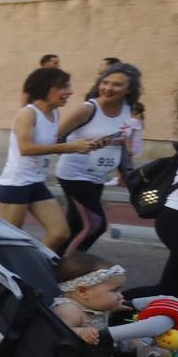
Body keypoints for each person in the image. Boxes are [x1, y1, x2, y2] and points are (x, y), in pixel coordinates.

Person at [53, 252, 178, 357]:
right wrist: (79, 331)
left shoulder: (90, 304)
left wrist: (118, 308)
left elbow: (97, 315)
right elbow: (58, 330)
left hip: (105, 344)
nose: (120, 295)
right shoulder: (68, 310)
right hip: (83, 355)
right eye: (114, 290)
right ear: (83, 291)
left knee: (145, 345)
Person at [0, 67, 100, 250]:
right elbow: (26, 148)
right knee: (6, 240)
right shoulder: (27, 114)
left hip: (36, 182)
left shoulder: (54, 114)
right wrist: (69, 147)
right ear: (45, 88)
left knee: (59, 233)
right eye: (63, 87)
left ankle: (34, 267)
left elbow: (49, 147)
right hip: (16, 183)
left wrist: (85, 145)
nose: (70, 92)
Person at [56, 62, 140, 253]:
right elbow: (56, 138)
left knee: (76, 224)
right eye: (105, 82)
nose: (108, 88)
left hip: (99, 175)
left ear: (129, 89)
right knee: (95, 224)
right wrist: (83, 143)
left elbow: (123, 143)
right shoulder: (88, 108)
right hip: (74, 174)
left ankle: (57, 263)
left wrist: (125, 171)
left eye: (117, 84)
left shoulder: (129, 109)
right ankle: (67, 266)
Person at [124, 80, 178, 303]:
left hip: (175, 219)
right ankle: (102, 311)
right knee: (173, 292)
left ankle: (108, 310)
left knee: (170, 291)